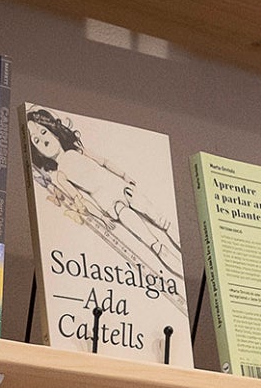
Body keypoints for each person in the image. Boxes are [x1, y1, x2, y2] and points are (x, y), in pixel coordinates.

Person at [23, 106, 182, 291]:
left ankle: (181, 262)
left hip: (122, 188)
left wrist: (124, 175)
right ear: (37, 152)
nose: (43, 140)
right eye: (36, 140)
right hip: (112, 205)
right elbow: (79, 199)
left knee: (163, 222)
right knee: (152, 242)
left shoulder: (78, 150)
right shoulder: (60, 176)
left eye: (43, 132)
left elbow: (104, 162)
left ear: (54, 131)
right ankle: (177, 269)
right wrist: (101, 217)